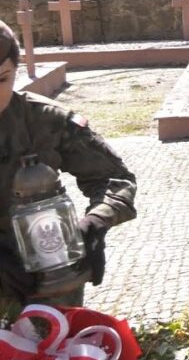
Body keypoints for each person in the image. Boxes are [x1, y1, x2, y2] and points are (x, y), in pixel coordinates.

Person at [0, 21, 136, 308]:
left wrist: (96, 223)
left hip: (49, 276)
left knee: (58, 346)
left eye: (2, 79)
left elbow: (113, 179)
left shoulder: (44, 120)